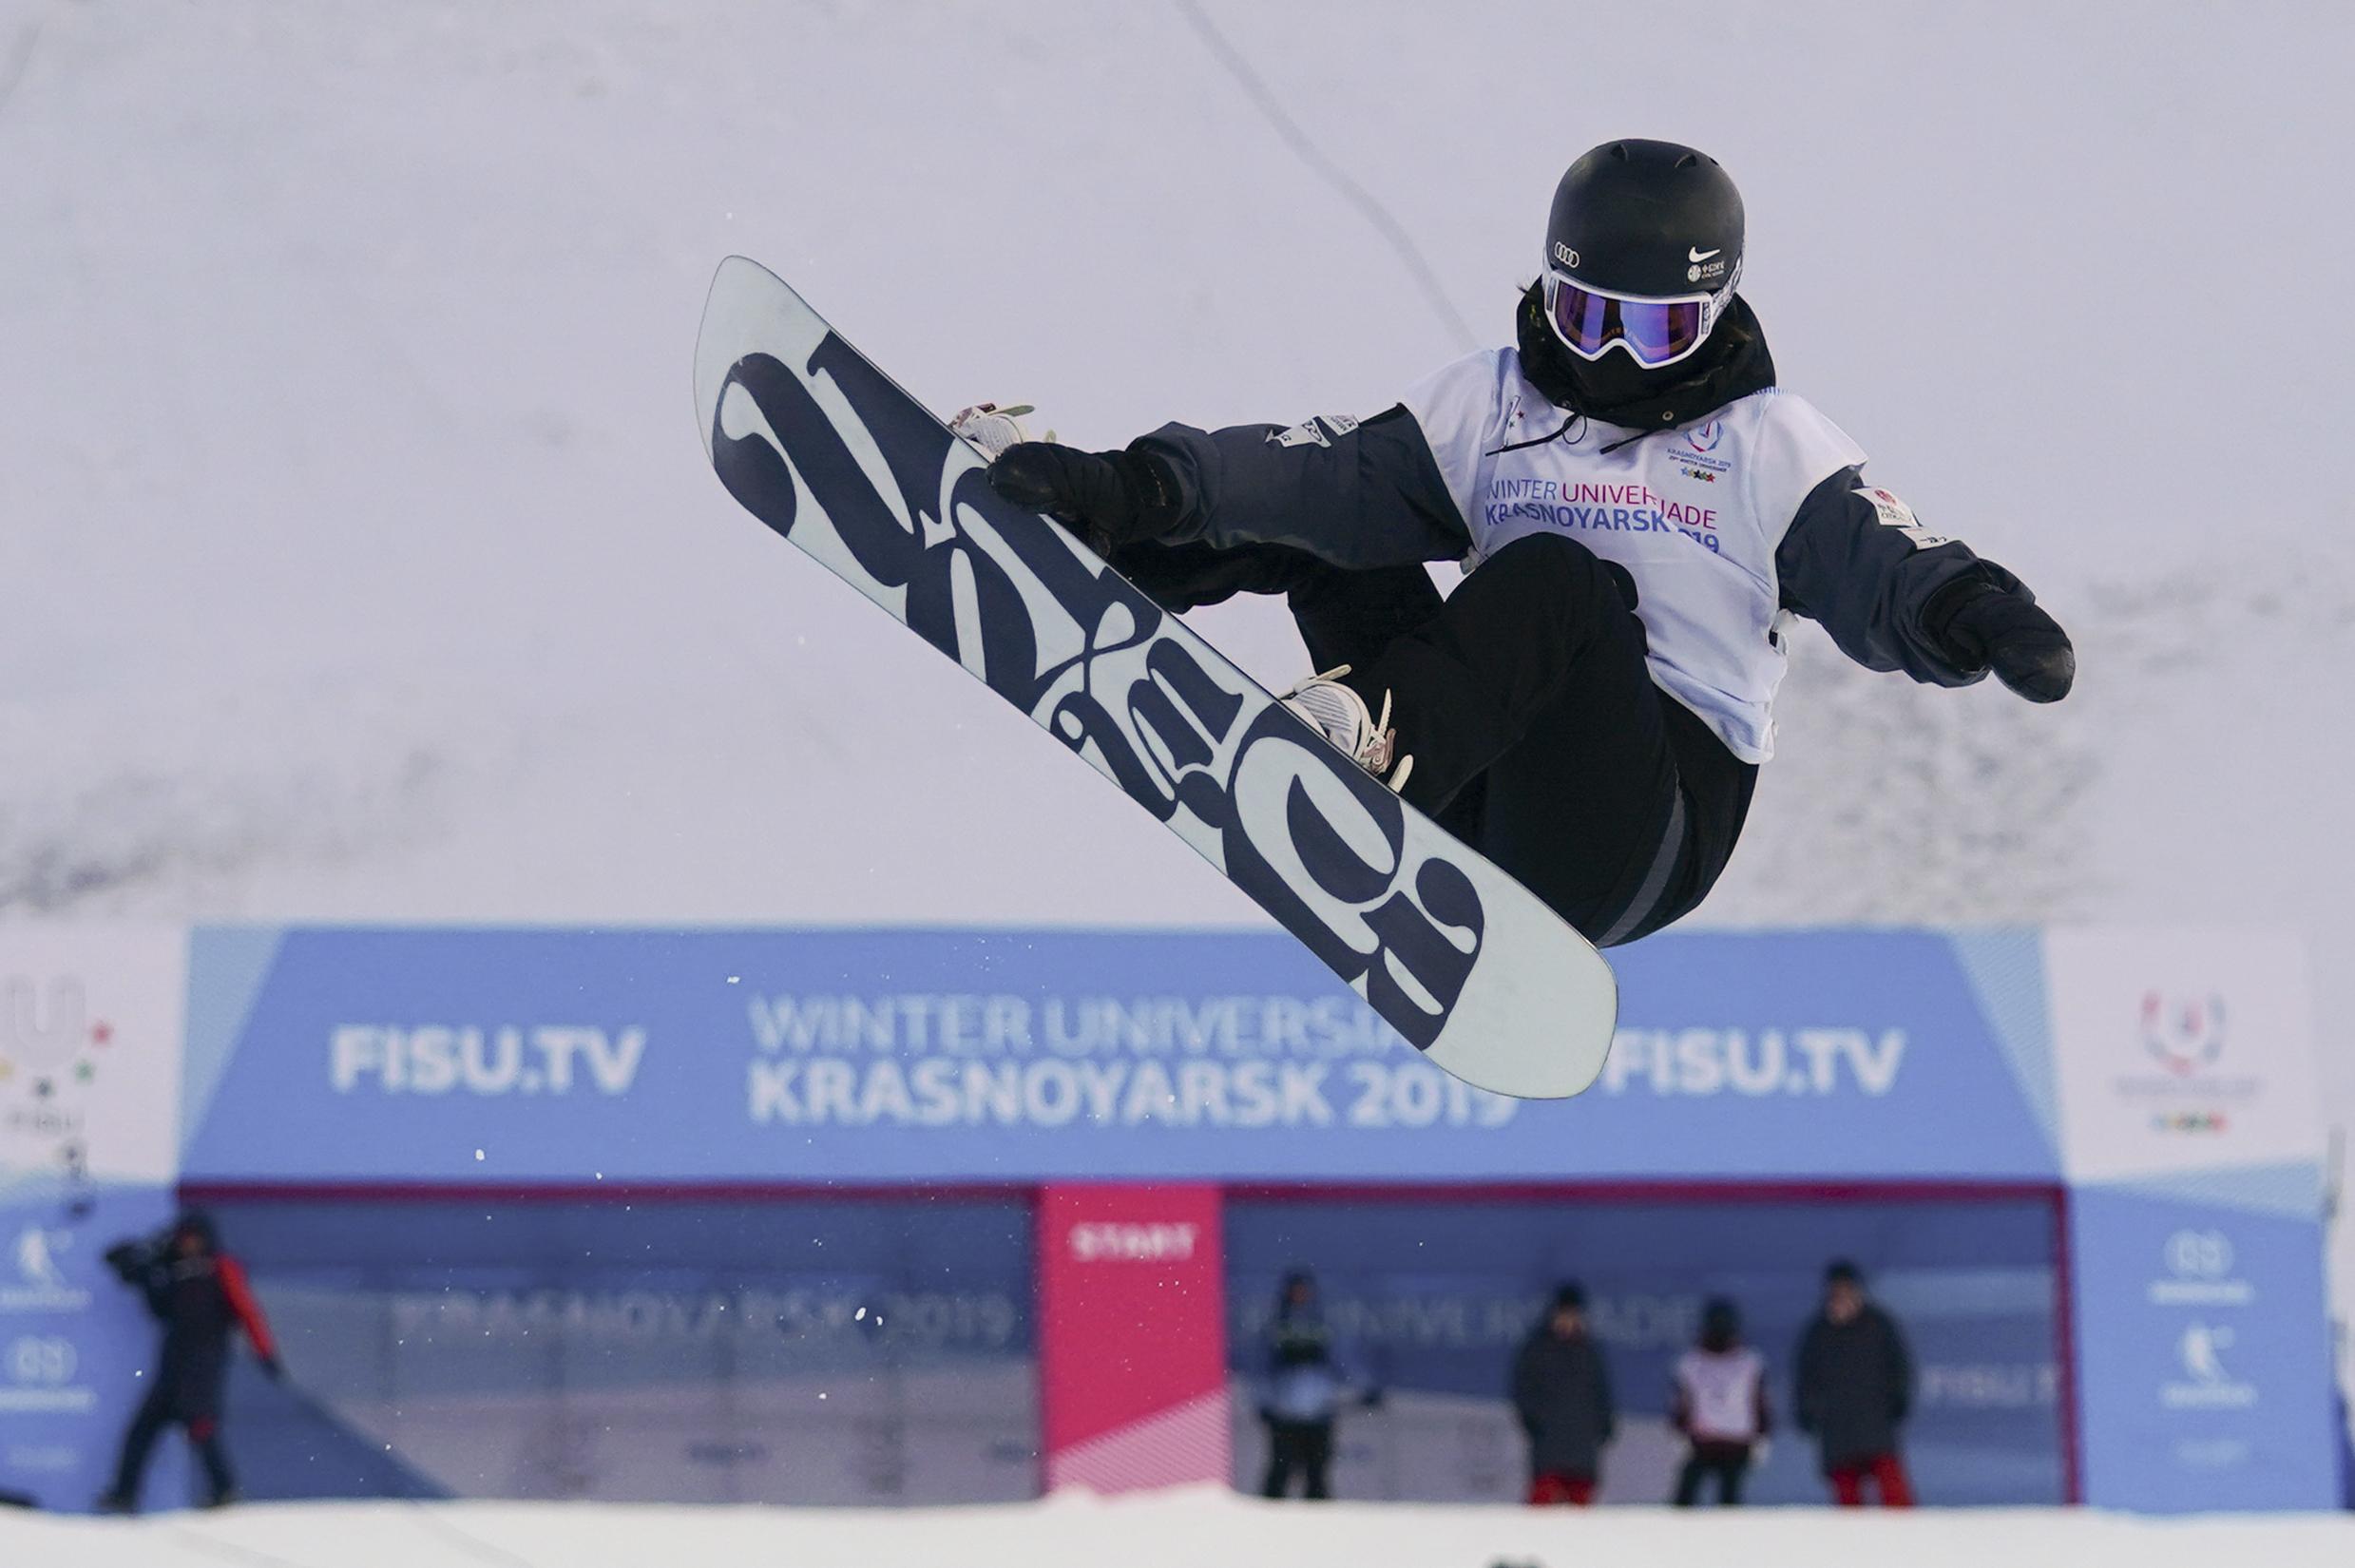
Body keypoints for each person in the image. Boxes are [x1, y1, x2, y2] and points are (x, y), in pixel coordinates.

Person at [973, 139, 2075, 949]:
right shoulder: (1491, 408)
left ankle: (1372, 743)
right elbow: (1320, 474)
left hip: (1642, 831)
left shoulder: (1762, 445)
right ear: (1547, 289)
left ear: (1717, 313)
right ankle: (1099, 560)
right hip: (1473, 767)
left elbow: (1885, 559)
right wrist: (1130, 487)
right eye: (1590, 317)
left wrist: (1980, 611)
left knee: (1558, 581)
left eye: (1658, 333)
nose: (1617, 364)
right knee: (1334, 532)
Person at [94, 1211, 281, 1512]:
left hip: (205, 1362)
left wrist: (265, 1352)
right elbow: (158, 1307)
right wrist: (142, 1272)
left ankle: (224, 1489)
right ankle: (124, 1494)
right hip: (173, 1363)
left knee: (201, 1426)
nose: (189, 1245)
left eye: (194, 1239)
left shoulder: (221, 1268)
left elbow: (247, 1311)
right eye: (183, 1239)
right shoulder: (172, 1270)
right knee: (143, 1429)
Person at [1794, 1259, 1914, 1506]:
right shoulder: (1818, 1333)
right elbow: (1805, 1378)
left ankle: (1907, 1543)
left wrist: (1898, 1399)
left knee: (1895, 1496)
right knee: (1848, 1503)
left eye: (1847, 1289)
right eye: (1836, 1291)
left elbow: (1899, 1367)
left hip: (1875, 1422)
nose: (1842, 1297)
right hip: (1837, 1428)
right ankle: (1851, 1545)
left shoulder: (1879, 1325)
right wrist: (1807, 1410)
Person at [1255, 1271, 1374, 1499]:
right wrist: (1263, 1401)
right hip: (1284, 1412)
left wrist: (1366, 1388)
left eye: (1304, 1291)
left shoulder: (1323, 1325)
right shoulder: (1275, 1327)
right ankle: (1266, 1528)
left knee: (1317, 1474)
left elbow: (1344, 1360)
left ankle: (1321, 1531)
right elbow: (1261, 1367)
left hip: (1319, 1411)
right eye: (1295, 1291)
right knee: (1280, 1473)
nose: (1300, 1296)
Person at [1510, 1283, 1615, 1504]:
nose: (1568, 1320)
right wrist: (1534, 1420)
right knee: (1542, 1509)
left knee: (1581, 1513)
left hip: (1583, 1443)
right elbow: (1523, 1389)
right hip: (1549, 1444)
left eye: (1573, 1314)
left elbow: (1601, 1393)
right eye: (1564, 1314)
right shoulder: (1537, 1350)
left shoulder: (1589, 1351)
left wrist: (1603, 1424)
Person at [1671, 1296, 1771, 1505]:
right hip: (1702, 1444)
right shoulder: (1692, 1363)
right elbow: (1682, 1403)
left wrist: (1762, 1437)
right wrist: (1680, 1433)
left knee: (1730, 1504)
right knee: (1684, 1501)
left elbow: (1759, 1402)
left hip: (1737, 1444)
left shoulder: (1749, 1363)